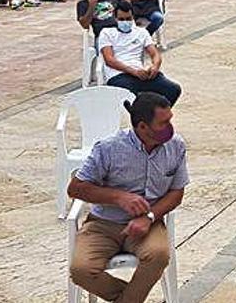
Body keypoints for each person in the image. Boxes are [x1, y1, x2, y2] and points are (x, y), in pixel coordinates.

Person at [68, 92, 186, 303]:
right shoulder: (108, 148)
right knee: (81, 270)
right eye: (163, 122)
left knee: (158, 255)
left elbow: (176, 193)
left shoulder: (176, 146)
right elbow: (75, 188)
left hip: (148, 223)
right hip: (104, 223)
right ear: (142, 127)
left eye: (170, 120)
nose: (170, 126)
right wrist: (118, 197)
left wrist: (149, 217)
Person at [98, 3, 182, 104]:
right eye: (121, 19)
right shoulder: (107, 33)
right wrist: (133, 71)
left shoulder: (141, 33)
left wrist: (155, 67)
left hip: (141, 74)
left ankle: (156, 118)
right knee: (134, 100)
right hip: (119, 75)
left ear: (133, 17)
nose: (125, 22)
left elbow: (155, 54)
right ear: (115, 18)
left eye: (128, 18)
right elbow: (109, 60)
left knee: (173, 89)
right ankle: (143, 119)